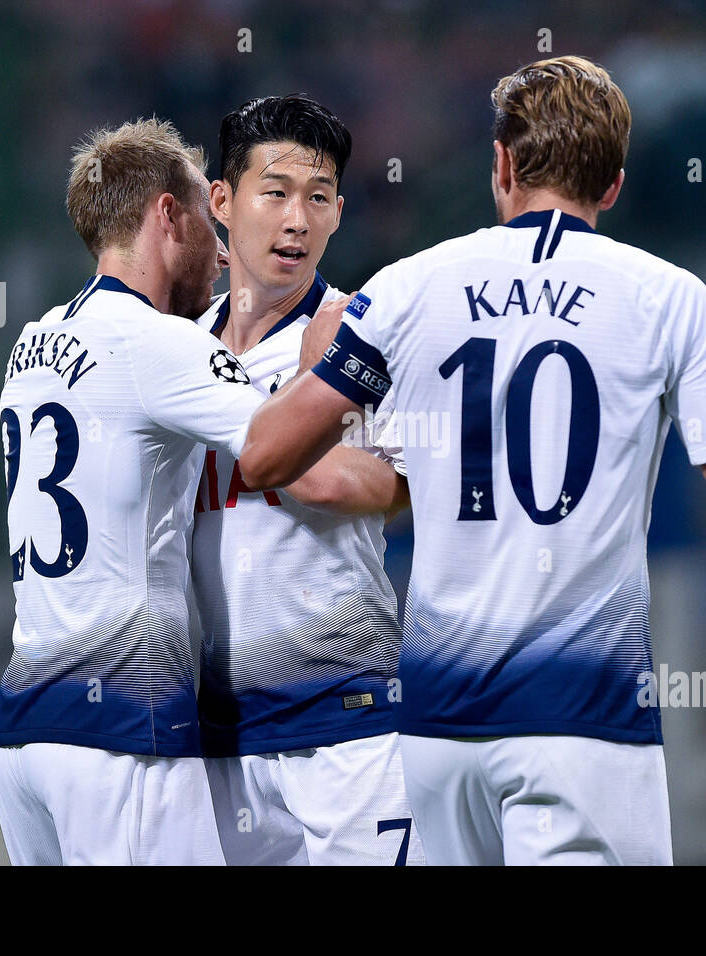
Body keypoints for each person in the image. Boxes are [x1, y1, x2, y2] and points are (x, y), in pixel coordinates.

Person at [236, 56, 706, 865]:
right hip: (583, 725)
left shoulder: (406, 289)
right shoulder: (668, 297)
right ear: (613, 185)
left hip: (439, 732)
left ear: (502, 163)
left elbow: (264, 455)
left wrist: (314, 367)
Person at [0, 117, 265, 864]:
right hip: (119, 730)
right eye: (210, 222)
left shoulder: (30, 344)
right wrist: (342, 368)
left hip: (22, 732)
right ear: (167, 216)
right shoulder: (162, 344)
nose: (222, 252)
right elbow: (279, 446)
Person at [191, 94, 421, 864]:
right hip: (216, 731)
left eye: (317, 199)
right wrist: (297, 410)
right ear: (222, 201)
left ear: (338, 212)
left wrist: (291, 430)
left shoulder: (364, 337)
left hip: (345, 716)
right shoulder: (176, 350)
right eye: (277, 193)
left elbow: (391, 487)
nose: (297, 220)